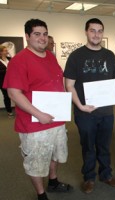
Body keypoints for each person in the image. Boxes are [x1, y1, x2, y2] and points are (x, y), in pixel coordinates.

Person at [3, 19, 72, 200]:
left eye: (44, 34)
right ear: (27, 37)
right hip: (34, 124)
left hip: (57, 119)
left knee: (55, 153)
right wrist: (39, 114)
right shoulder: (19, 61)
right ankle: (41, 195)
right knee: (35, 161)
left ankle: (54, 181)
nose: (42, 38)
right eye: (37, 34)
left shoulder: (50, 56)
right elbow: (14, 93)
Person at [64, 18, 115, 194]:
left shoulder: (109, 55)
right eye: (93, 30)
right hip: (84, 112)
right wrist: (81, 106)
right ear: (86, 32)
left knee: (104, 145)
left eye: (100, 31)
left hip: (106, 111)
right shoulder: (76, 56)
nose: (96, 34)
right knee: (88, 146)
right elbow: (69, 85)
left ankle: (106, 174)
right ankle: (89, 177)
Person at [0, 45, 14, 117]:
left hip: (12, 81)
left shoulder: (10, 59)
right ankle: (9, 111)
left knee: (16, 95)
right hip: (2, 82)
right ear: (1, 52)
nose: (7, 52)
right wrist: (6, 70)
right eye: (5, 51)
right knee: (6, 96)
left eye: (6, 50)